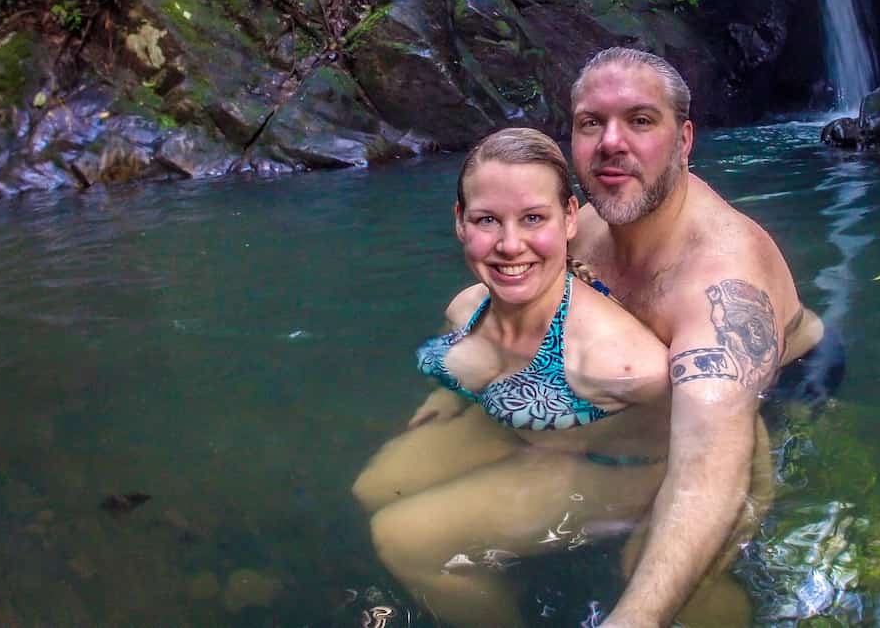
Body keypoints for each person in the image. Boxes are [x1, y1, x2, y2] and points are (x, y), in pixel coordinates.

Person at [352, 128, 769, 626]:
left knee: (402, 538)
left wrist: (729, 513)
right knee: (371, 488)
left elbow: (722, 438)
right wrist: (451, 396)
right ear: (460, 222)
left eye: (533, 218)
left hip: (615, 467)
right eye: (488, 219)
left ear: (570, 218)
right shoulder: (466, 309)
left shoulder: (621, 365)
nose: (510, 245)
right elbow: (466, 356)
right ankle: (515, 576)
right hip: (525, 432)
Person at [567, 47, 836, 628]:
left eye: (640, 121)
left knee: (651, 570)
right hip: (659, 381)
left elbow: (706, 474)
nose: (612, 141)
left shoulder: (721, 279)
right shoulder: (581, 230)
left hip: (782, 382)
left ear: (684, 141)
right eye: (592, 122)